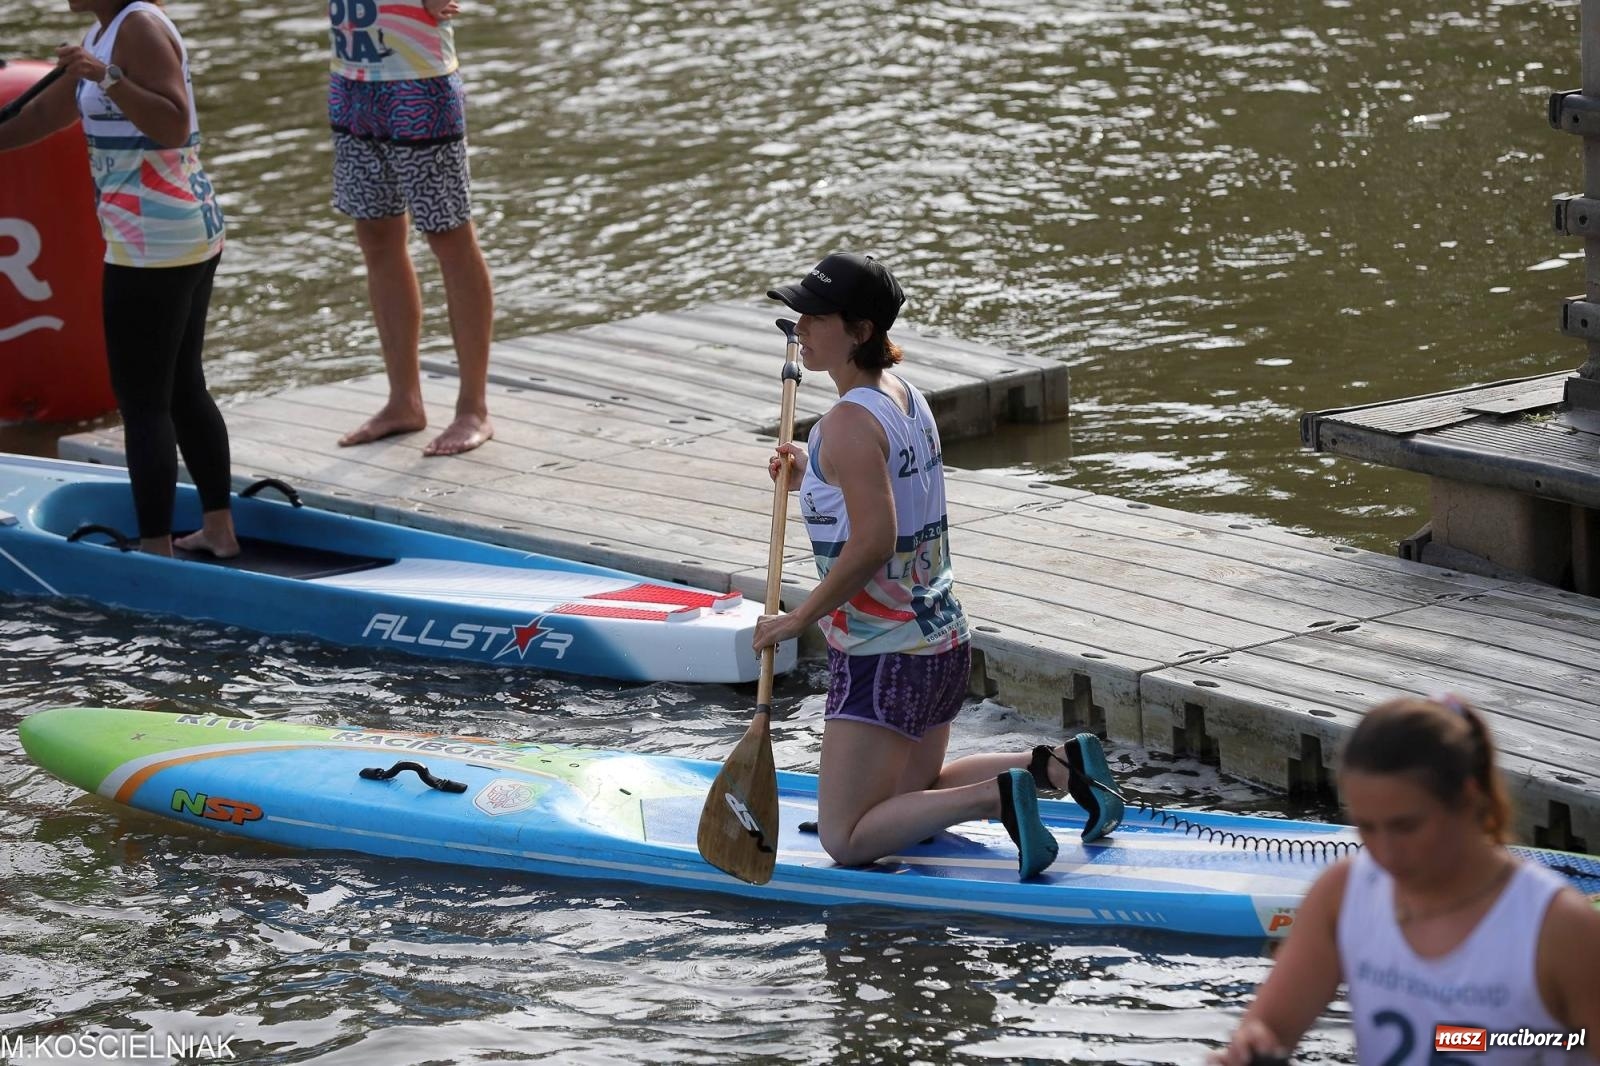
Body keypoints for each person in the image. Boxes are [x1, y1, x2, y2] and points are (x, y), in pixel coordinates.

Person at [751, 252, 1124, 880]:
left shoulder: (845, 423)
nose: (803, 328)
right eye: (800, 316)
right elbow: (878, 490)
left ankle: (997, 797)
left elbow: (874, 541)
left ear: (861, 330)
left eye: (817, 318)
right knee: (911, 799)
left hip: (883, 652)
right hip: (940, 638)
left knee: (845, 838)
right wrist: (811, 472)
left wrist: (799, 620)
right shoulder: (905, 397)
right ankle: (1062, 767)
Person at [1211, 695, 1600, 1065]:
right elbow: (1269, 1030)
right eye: (1367, 827)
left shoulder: (1560, 928)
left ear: (1467, 798)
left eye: (1406, 826)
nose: (1386, 853)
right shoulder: (1343, 893)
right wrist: (1251, 1049)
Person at [0, 0, 238, 558]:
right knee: (181, 389)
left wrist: (102, 75)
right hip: (169, 231)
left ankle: (156, 551)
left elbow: (175, 122)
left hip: (156, 240)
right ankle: (219, 532)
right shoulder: (106, 30)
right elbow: (40, 117)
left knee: (144, 403)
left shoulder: (139, 27)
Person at [326, 0, 494, 457]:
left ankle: (473, 409)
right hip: (351, 80)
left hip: (418, 82)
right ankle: (404, 401)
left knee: (448, 235)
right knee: (376, 237)